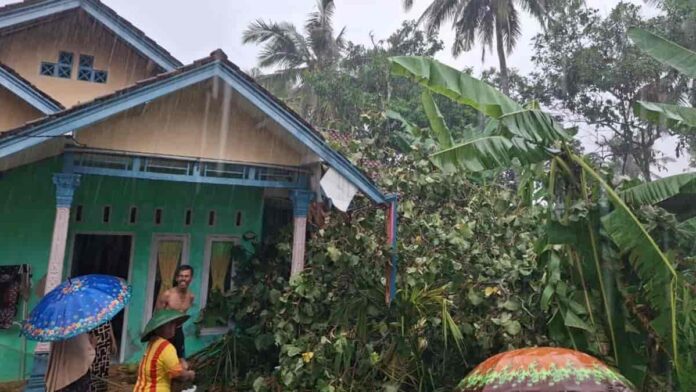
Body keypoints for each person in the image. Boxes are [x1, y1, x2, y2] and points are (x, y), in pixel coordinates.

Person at [134, 309, 195, 392]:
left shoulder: (153, 343)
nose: (174, 326)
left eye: (174, 323)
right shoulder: (166, 347)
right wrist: (189, 375)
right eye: (172, 323)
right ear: (162, 327)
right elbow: (179, 375)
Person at [156, 265, 195, 368]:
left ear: (191, 278)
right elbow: (157, 317)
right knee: (162, 363)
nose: (183, 278)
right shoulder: (167, 295)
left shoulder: (191, 297)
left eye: (186, 276)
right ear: (176, 278)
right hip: (164, 332)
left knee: (181, 363)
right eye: (181, 276)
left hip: (178, 331)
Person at [88, 322, 117, 392]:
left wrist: (113, 341)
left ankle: (102, 389)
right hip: (94, 342)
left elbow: (109, 323)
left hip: (105, 343)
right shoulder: (88, 313)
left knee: (104, 368)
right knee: (93, 370)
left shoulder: (104, 311)